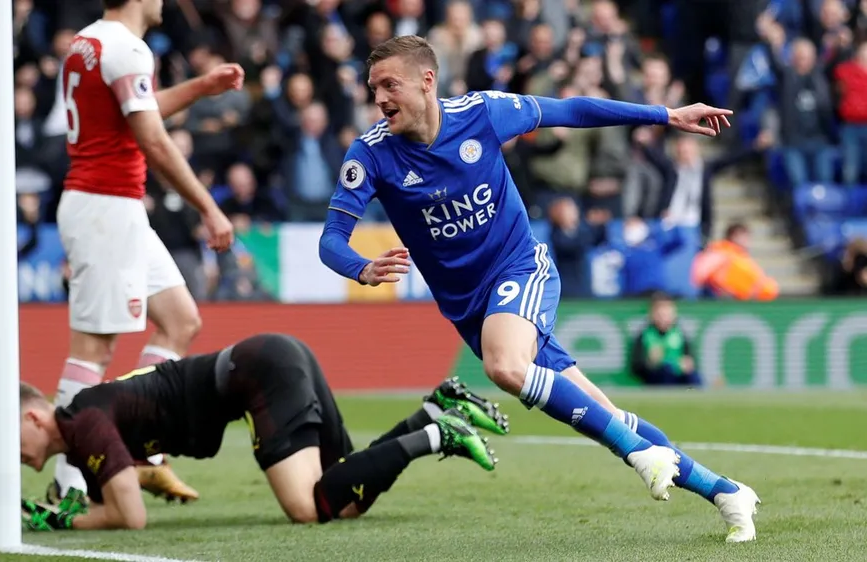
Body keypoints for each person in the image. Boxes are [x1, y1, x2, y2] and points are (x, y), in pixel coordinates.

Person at [318, 35, 759, 543]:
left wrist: (664, 115)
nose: (379, 98)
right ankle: (726, 491)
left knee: (503, 366)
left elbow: (572, 109)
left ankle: (638, 456)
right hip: (470, 309)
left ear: (427, 81)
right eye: (374, 88)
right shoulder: (371, 153)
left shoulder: (482, 113)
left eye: (389, 84)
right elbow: (332, 239)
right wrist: (360, 268)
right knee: (606, 414)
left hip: (519, 269)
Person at [50, 0, 240, 503]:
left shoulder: (90, 41)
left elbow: (138, 110)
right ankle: (71, 483)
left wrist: (200, 88)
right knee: (93, 350)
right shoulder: (127, 48)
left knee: (180, 320)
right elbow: (153, 139)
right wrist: (209, 208)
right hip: (104, 208)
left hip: (116, 208)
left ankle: (141, 453)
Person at [19, 333, 505, 531]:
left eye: (13, 438)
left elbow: (131, 515)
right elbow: (127, 481)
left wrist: (67, 522)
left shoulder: (83, 422)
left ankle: (439, 435)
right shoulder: (84, 429)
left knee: (307, 507)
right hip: (272, 357)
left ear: (34, 417)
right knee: (346, 497)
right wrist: (148, 480)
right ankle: (431, 413)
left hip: (256, 375)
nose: (16, 455)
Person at [630, 293, 703, 387]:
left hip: (678, 377)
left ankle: (694, 395)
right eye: (660, 314)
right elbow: (635, 368)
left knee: (694, 378)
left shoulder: (680, 333)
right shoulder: (645, 335)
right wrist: (650, 363)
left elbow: (690, 360)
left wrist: (687, 365)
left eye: (667, 313)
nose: (663, 318)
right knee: (666, 371)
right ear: (652, 314)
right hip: (656, 379)